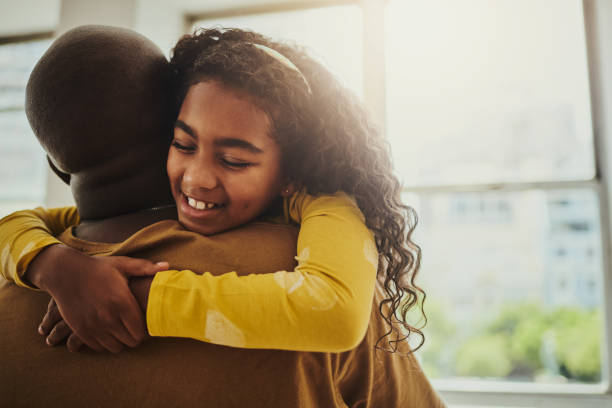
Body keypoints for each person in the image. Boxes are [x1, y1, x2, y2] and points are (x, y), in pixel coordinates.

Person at [0, 25, 444, 407]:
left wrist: (140, 294)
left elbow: (335, 313)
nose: (198, 178)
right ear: (171, 131)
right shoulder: (300, 275)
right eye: (185, 144)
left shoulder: (330, 250)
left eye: (234, 159)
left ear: (56, 166)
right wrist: (50, 262)